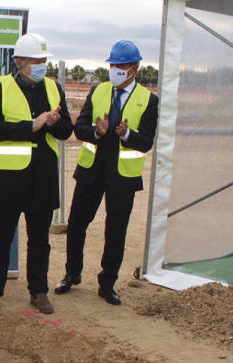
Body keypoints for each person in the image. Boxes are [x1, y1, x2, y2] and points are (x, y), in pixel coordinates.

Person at [54, 40, 158, 305]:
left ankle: (107, 282)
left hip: (122, 176)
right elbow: (80, 130)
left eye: (121, 65)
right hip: (91, 171)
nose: (115, 70)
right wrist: (98, 132)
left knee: (116, 230)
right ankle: (72, 274)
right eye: (112, 65)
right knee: (77, 223)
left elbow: (146, 141)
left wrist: (127, 135)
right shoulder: (98, 90)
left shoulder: (148, 100)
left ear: (135, 68)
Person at [0, 33, 73, 313]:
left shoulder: (54, 88)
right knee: (2, 236)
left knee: (40, 240)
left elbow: (66, 130)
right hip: (9, 177)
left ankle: (39, 291)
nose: (42, 65)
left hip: (42, 177)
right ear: (19, 62)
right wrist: (31, 126)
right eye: (36, 61)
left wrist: (53, 123)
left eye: (44, 61)